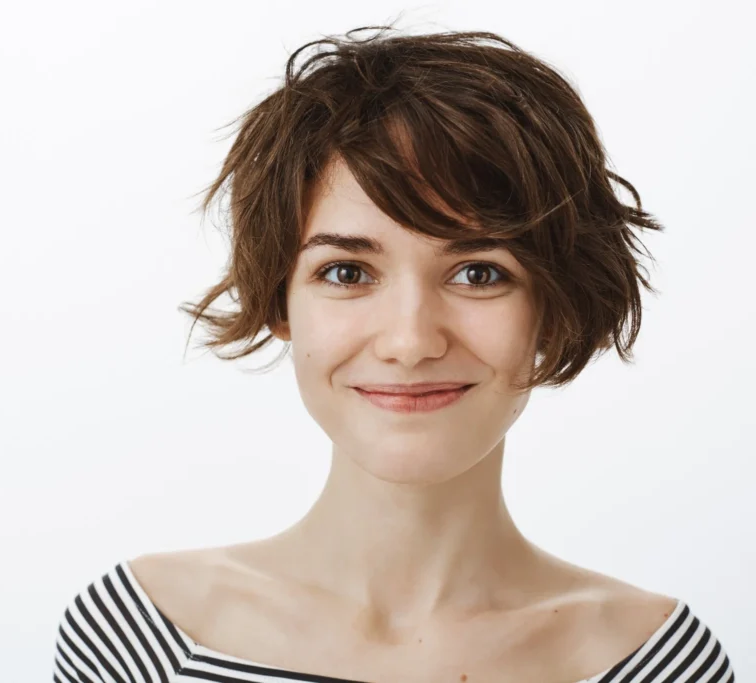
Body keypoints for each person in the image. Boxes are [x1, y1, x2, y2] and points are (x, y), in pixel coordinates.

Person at [52, 24, 735, 683]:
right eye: (348, 272)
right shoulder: (142, 637)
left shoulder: (651, 664)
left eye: (478, 272)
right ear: (280, 299)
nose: (410, 342)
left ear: (554, 310)